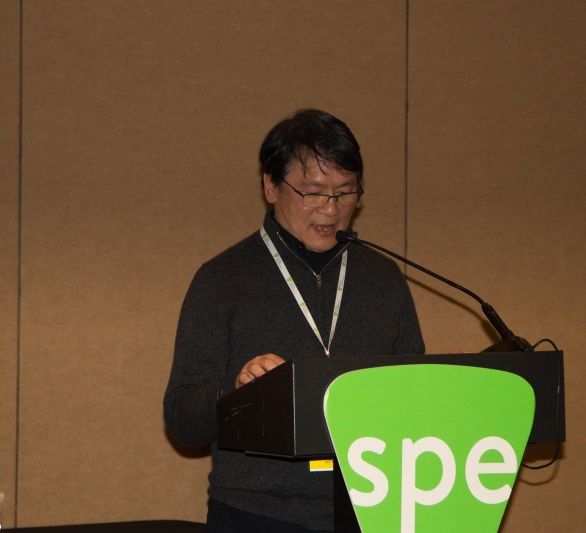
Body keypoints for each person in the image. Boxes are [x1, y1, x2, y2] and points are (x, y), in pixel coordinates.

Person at [163, 108, 425, 532]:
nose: (331, 209)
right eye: (313, 192)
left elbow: (412, 395)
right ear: (271, 186)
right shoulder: (222, 279)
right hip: (257, 516)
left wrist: (446, 383)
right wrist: (237, 389)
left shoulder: (383, 278)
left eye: (345, 192)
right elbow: (181, 418)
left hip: (373, 508)